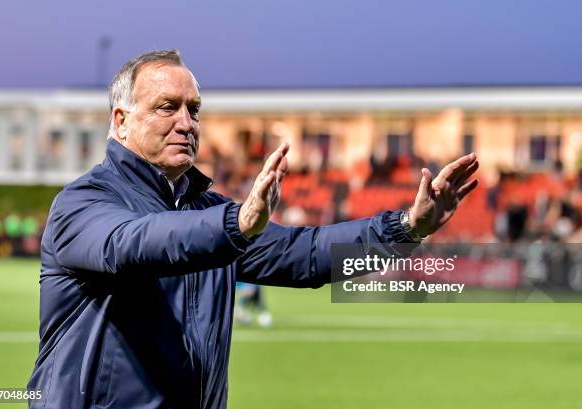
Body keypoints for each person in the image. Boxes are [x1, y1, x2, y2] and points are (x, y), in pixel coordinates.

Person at [27, 50, 479, 409]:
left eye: (194, 110)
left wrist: (404, 229)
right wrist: (236, 223)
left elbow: (310, 254)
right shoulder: (82, 204)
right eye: (167, 107)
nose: (186, 123)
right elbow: (132, 243)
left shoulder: (211, 212)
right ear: (121, 120)